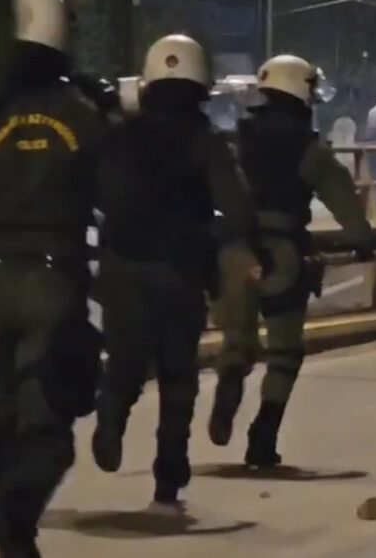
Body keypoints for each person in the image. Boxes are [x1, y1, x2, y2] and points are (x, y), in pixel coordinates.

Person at [0, 0, 110, 558]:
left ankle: (10, 528)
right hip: (51, 280)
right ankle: (13, 518)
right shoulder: (83, 116)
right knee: (48, 428)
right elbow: (119, 197)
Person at [90, 34, 261, 507]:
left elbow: (98, 193)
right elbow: (238, 207)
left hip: (122, 266)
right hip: (179, 271)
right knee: (177, 376)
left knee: (125, 361)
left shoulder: (120, 137)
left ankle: (111, 416)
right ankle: (169, 473)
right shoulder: (207, 142)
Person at [208, 54, 374, 467]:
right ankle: (263, 436)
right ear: (302, 91)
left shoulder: (235, 140)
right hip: (281, 254)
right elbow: (345, 204)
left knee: (237, 336)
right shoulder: (310, 150)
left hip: (233, 253)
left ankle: (230, 379)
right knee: (284, 350)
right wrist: (361, 240)